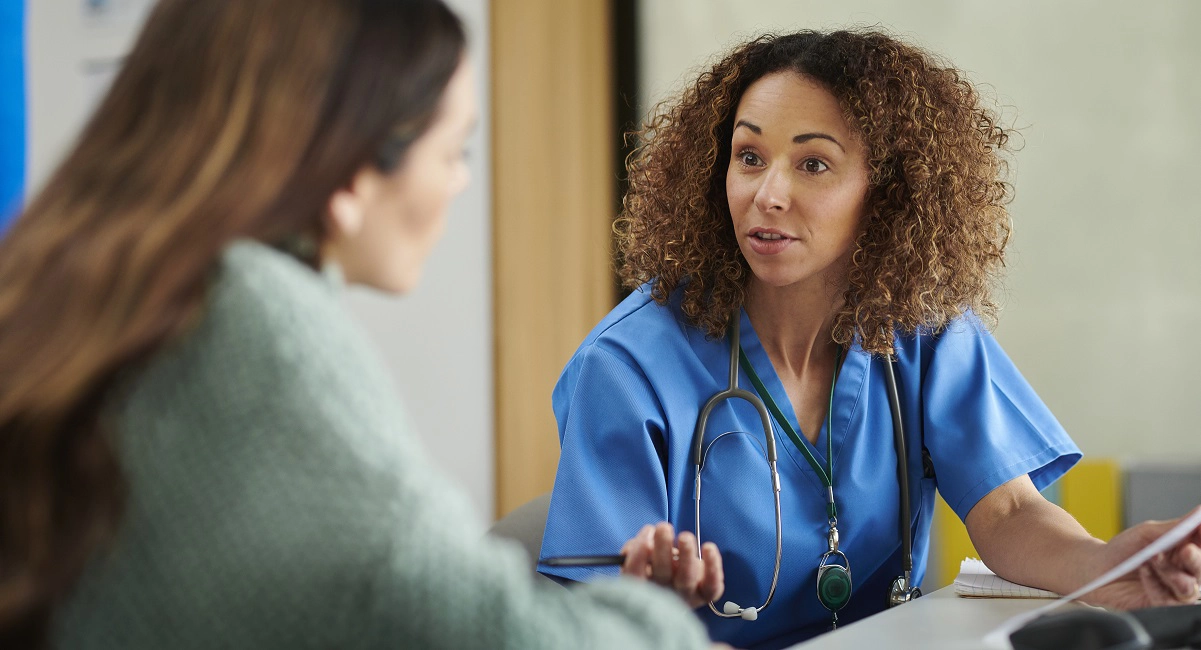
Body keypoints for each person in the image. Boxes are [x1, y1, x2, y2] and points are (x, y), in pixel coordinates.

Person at [0, 1, 726, 648]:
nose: (457, 182)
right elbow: (457, 622)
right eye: (453, 152)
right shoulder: (250, 323)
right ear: (350, 175)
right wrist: (653, 623)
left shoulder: (65, 282)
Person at [538, 28, 1201, 650]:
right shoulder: (626, 366)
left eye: (813, 164)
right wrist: (645, 597)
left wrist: (1103, 564)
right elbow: (598, 616)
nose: (767, 193)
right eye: (748, 157)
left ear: (886, 193)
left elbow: (1005, 511)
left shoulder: (920, 329)